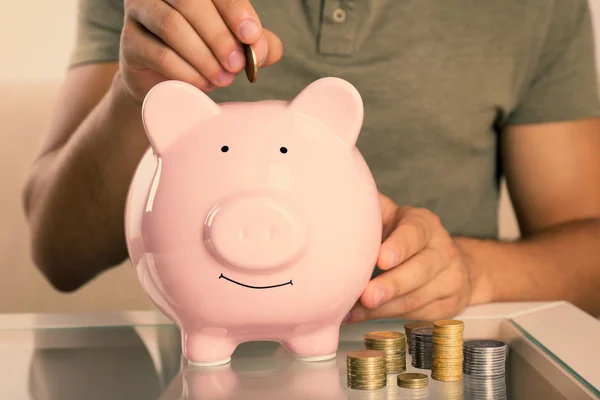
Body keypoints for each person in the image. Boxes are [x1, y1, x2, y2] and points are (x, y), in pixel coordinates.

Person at [22, 0, 600, 321]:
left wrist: (472, 274)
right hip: (206, 366)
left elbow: (588, 251)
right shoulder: (158, 2)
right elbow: (57, 253)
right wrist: (138, 91)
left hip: (424, 362)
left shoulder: (533, 8)